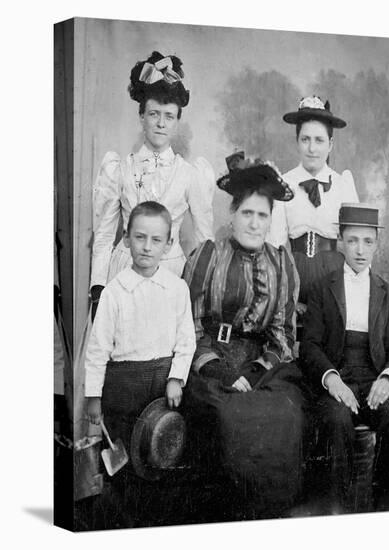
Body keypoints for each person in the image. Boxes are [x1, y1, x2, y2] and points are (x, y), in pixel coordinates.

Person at [183, 156, 306, 518]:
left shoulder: (282, 262)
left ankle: (273, 517)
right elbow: (188, 325)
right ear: (232, 215)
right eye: (247, 213)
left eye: (262, 215)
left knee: (285, 412)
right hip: (211, 359)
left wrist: (255, 371)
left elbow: (283, 334)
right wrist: (222, 372)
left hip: (262, 364)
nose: (254, 223)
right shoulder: (208, 255)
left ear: (271, 220)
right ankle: (232, 519)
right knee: (229, 416)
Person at [90, 50, 214, 319]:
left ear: (177, 121)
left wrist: (202, 291)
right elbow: (103, 236)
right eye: (154, 114)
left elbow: (206, 241)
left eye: (169, 116)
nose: (160, 123)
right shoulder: (120, 169)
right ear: (141, 117)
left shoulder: (190, 174)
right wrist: (98, 287)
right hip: (124, 271)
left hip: (171, 273)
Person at [300, 203, 389, 513]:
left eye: (368, 241)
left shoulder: (386, 292)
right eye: (353, 240)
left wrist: (388, 378)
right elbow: (310, 346)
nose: (360, 250)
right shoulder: (322, 288)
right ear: (340, 241)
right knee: (336, 418)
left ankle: (387, 510)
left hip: (373, 377)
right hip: (336, 375)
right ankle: (336, 512)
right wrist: (332, 380)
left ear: (376, 245)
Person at [85, 201, 196, 450]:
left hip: (162, 384)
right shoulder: (114, 291)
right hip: (121, 388)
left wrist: (176, 378)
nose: (147, 247)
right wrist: (94, 395)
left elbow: (186, 340)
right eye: (139, 237)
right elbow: (98, 348)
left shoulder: (177, 289)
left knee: (157, 450)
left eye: (156, 240)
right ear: (126, 239)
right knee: (121, 450)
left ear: (168, 245)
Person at [270, 96, 359, 309]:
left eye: (319, 140)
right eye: (305, 139)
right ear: (297, 142)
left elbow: (356, 242)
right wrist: (289, 296)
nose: (312, 148)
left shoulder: (342, 184)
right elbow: (276, 245)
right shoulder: (283, 183)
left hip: (336, 282)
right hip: (294, 280)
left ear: (330, 145)